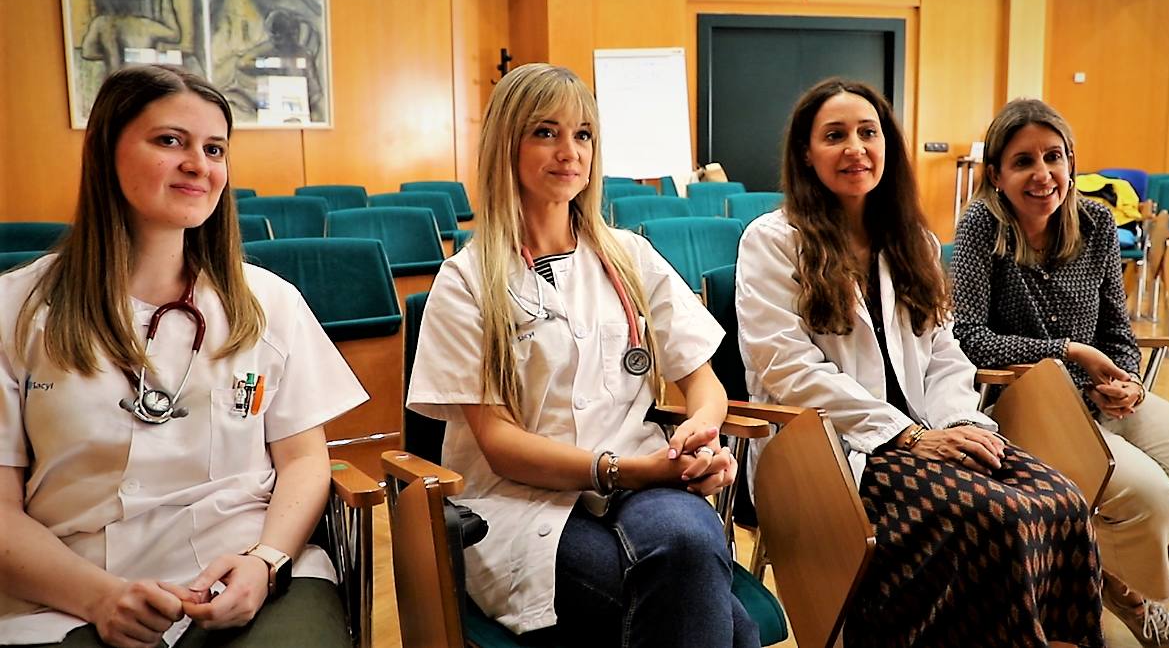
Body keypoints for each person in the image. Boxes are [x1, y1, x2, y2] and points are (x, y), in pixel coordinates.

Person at [0, 65, 366, 647]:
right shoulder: (15, 310)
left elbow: (303, 461)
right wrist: (99, 597)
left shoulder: (268, 302)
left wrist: (267, 561)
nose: (199, 164)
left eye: (214, 148)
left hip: (243, 571)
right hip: (65, 592)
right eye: (170, 141)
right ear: (105, 152)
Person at [735, 78, 1105, 647]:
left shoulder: (913, 241)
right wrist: (904, 435)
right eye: (835, 136)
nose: (855, 148)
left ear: (888, 146)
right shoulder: (772, 241)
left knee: (1063, 501)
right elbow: (787, 371)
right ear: (806, 155)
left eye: (868, 133)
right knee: (997, 520)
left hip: (929, 434)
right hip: (828, 451)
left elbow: (945, 353)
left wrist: (958, 423)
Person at [406, 63, 758, 647]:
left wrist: (702, 430)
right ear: (506, 146)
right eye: (546, 132)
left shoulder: (629, 256)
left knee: (688, 544)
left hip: (644, 483)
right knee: (716, 614)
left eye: (583, 134)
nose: (569, 151)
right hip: (522, 502)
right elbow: (498, 445)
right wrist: (627, 469)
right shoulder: (467, 280)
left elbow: (704, 380)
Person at [951, 98, 1169, 648]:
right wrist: (1071, 352)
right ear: (995, 174)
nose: (1043, 175)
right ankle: (1137, 602)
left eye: (1054, 157)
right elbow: (968, 337)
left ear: (1071, 161)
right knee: (1152, 500)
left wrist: (1130, 379)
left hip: (1102, 395)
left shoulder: (1094, 220)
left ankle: (1107, 567)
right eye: (1023, 162)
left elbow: (1119, 327)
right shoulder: (979, 227)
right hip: (1022, 403)